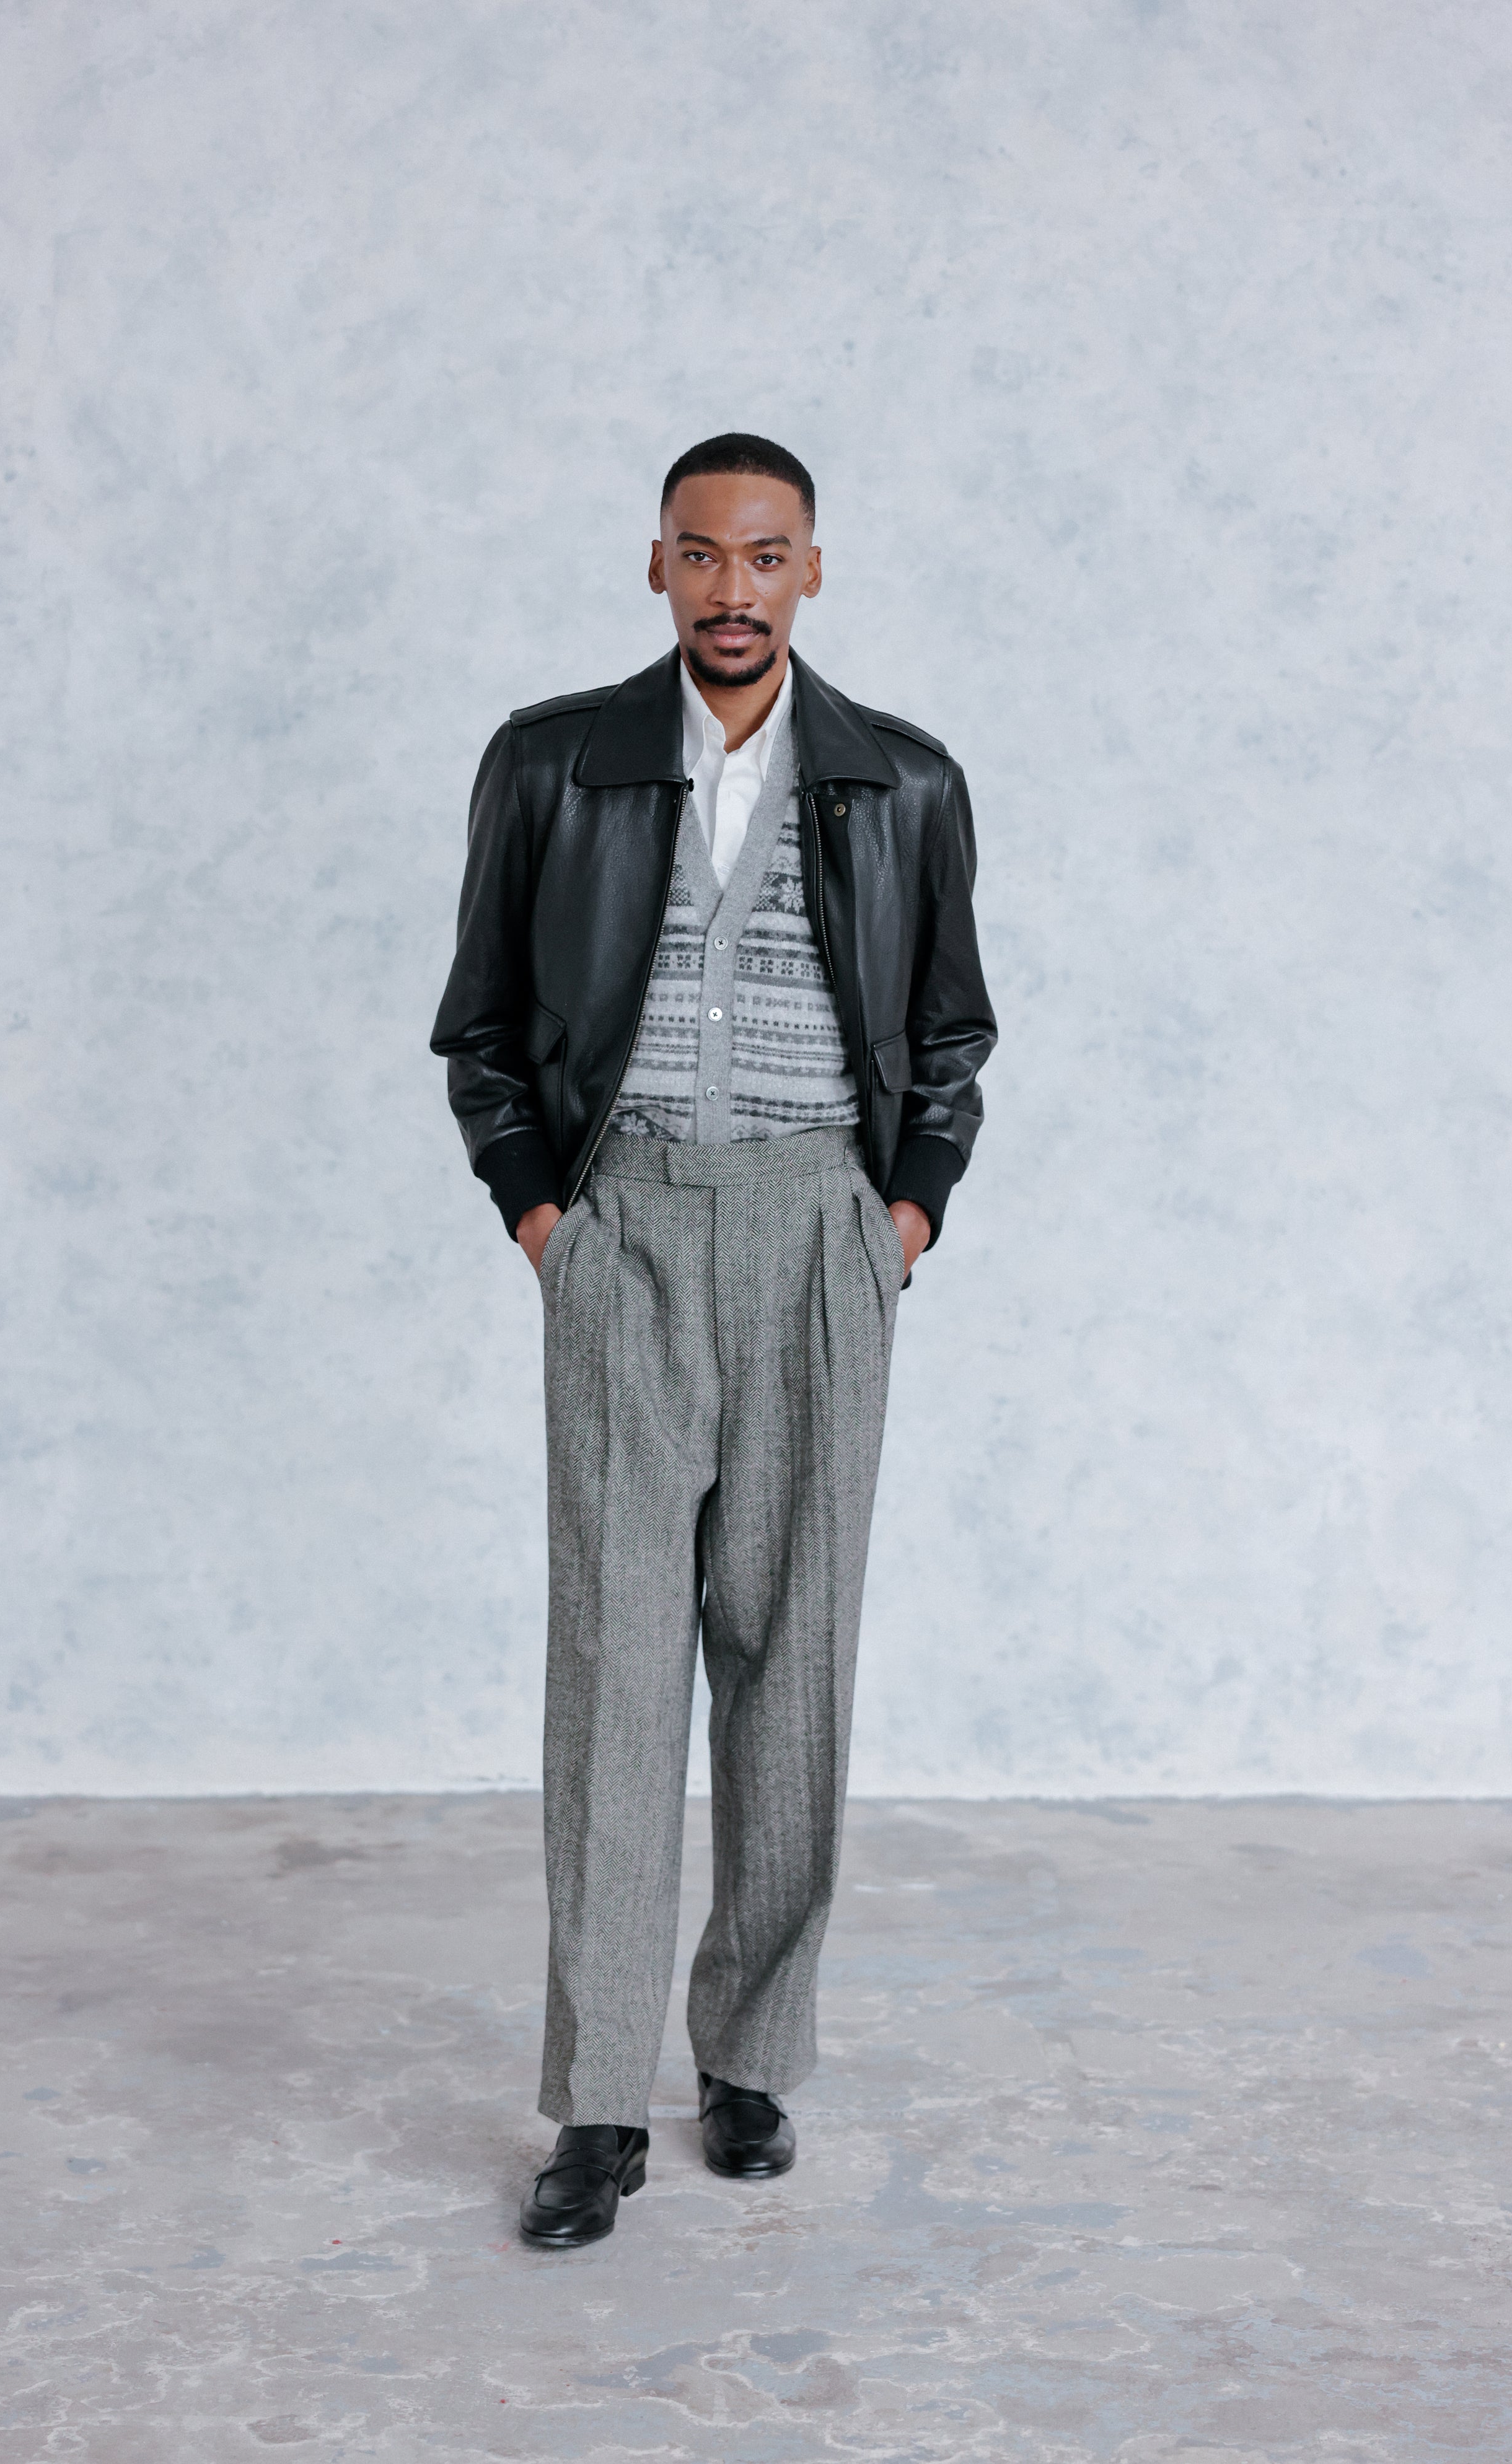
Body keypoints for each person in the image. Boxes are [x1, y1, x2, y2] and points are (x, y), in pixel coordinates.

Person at [431, 433, 996, 2248]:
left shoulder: (902, 778)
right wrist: (549, 1224)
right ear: (658, 565)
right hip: (627, 1230)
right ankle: (599, 2099)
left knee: (790, 1656)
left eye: (766, 556)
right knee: (612, 1672)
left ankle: (750, 2057)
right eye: (702, 554)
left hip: (824, 1228)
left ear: (812, 569)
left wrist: (899, 1223)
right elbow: (483, 1028)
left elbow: (952, 1033)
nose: (733, 588)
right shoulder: (555, 762)